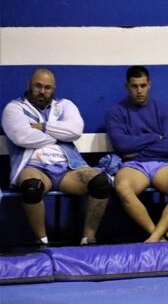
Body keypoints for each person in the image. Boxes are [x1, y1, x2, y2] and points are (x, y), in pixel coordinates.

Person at [1, 68, 112, 247]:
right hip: (33, 166)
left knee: (100, 182)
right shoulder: (14, 108)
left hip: (68, 167)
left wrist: (42, 127)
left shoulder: (65, 105)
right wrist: (60, 135)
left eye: (47, 88)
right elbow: (22, 137)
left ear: (54, 89)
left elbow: (75, 130)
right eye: (38, 86)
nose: (42, 91)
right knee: (31, 187)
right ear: (28, 85)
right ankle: (42, 242)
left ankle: (88, 239)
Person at [105, 65, 168, 243]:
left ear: (149, 85)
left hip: (162, 164)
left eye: (143, 85)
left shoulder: (164, 110)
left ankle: (154, 238)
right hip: (133, 165)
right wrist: (154, 137)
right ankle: (157, 236)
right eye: (134, 86)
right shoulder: (116, 111)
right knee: (123, 188)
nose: (139, 90)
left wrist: (136, 150)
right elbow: (121, 144)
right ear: (127, 87)